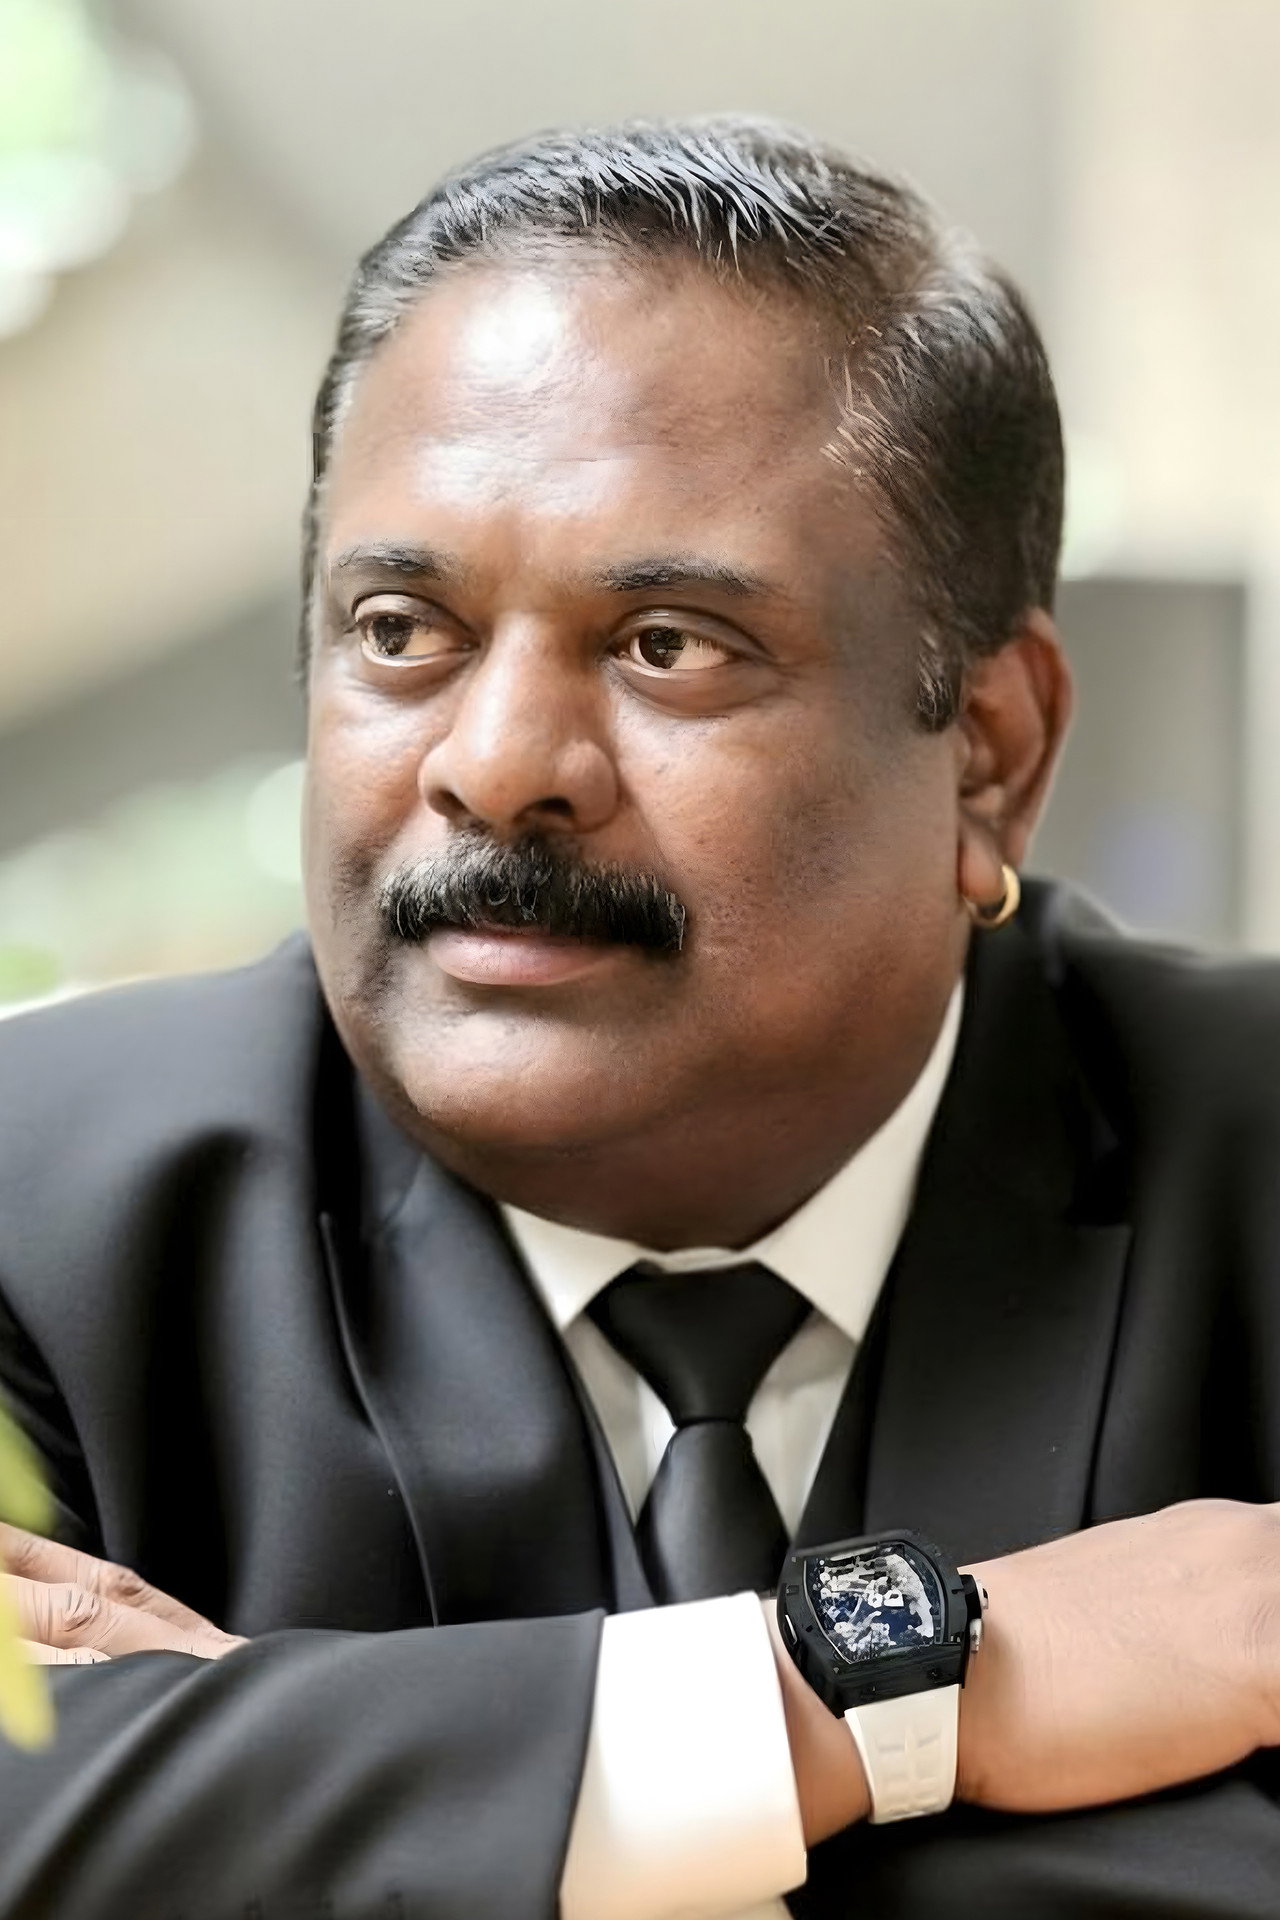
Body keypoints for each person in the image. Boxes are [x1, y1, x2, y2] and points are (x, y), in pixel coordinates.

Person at [1, 113, 1280, 1920]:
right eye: (401, 628)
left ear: (990, 753)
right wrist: (882, 1701)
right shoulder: (31, 1213)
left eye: (669, 641)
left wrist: (303, 1796)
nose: (496, 763)